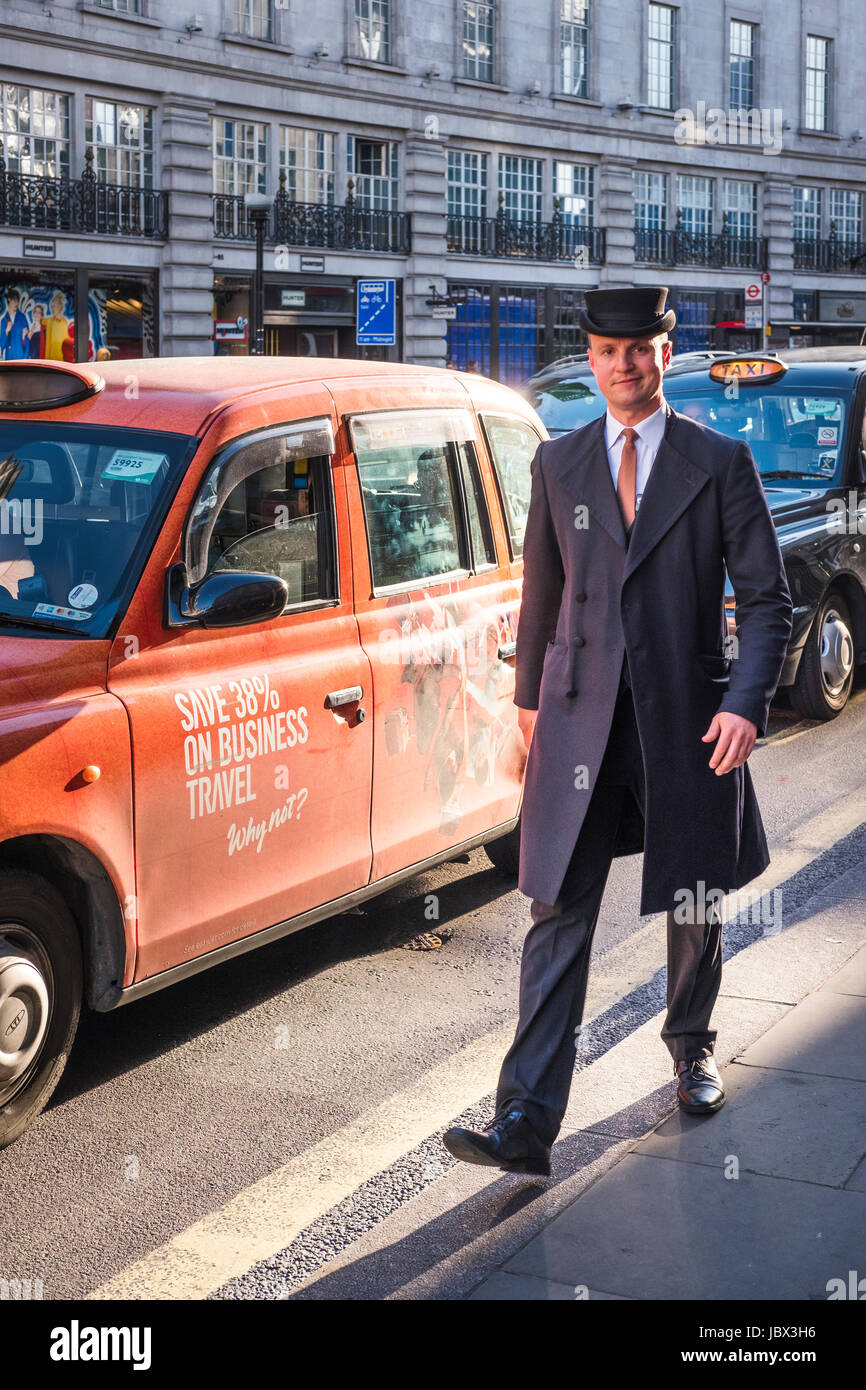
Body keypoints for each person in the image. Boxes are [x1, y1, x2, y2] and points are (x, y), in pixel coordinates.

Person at [443, 286, 793, 1177]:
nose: (623, 364)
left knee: (693, 897)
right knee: (555, 906)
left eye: (639, 349)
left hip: (686, 719)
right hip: (578, 722)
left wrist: (745, 704)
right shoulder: (558, 465)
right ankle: (524, 1117)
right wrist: (528, 706)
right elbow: (542, 595)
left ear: (664, 355)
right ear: (591, 358)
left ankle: (692, 1047)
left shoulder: (719, 462)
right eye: (606, 350)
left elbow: (766, 604)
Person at [0, 290, 30, 360]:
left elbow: (27, 339)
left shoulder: (22, 317)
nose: (16, 303)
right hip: (9, 358)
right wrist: (6, 331)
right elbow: (2, 345)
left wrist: (25, 357)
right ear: (9, 300)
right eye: (14, 301)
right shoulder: (4, 321)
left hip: (21, 356)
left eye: (17, 301)